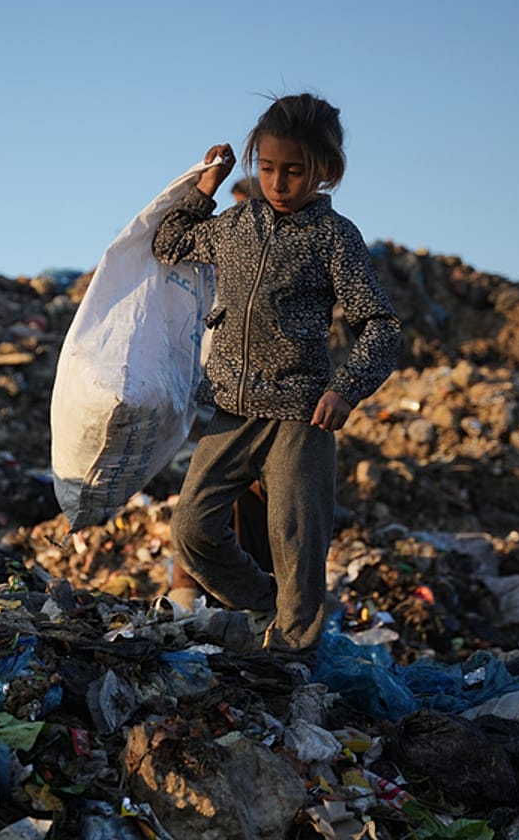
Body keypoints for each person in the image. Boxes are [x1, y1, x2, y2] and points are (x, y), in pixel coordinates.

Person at [152, 93, 401, 660]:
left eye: (294, 171)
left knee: (297, 544)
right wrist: (205, 188)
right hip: (233, 409)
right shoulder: (234, 225)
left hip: (300, 411)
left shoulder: (335, 238)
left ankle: (292, 657)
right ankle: (265, 602)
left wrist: (348, 388)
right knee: (191, 527)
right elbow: (169, 244)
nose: (279, 182)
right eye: (266, 167)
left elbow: (382, 326)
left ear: (326, 172)